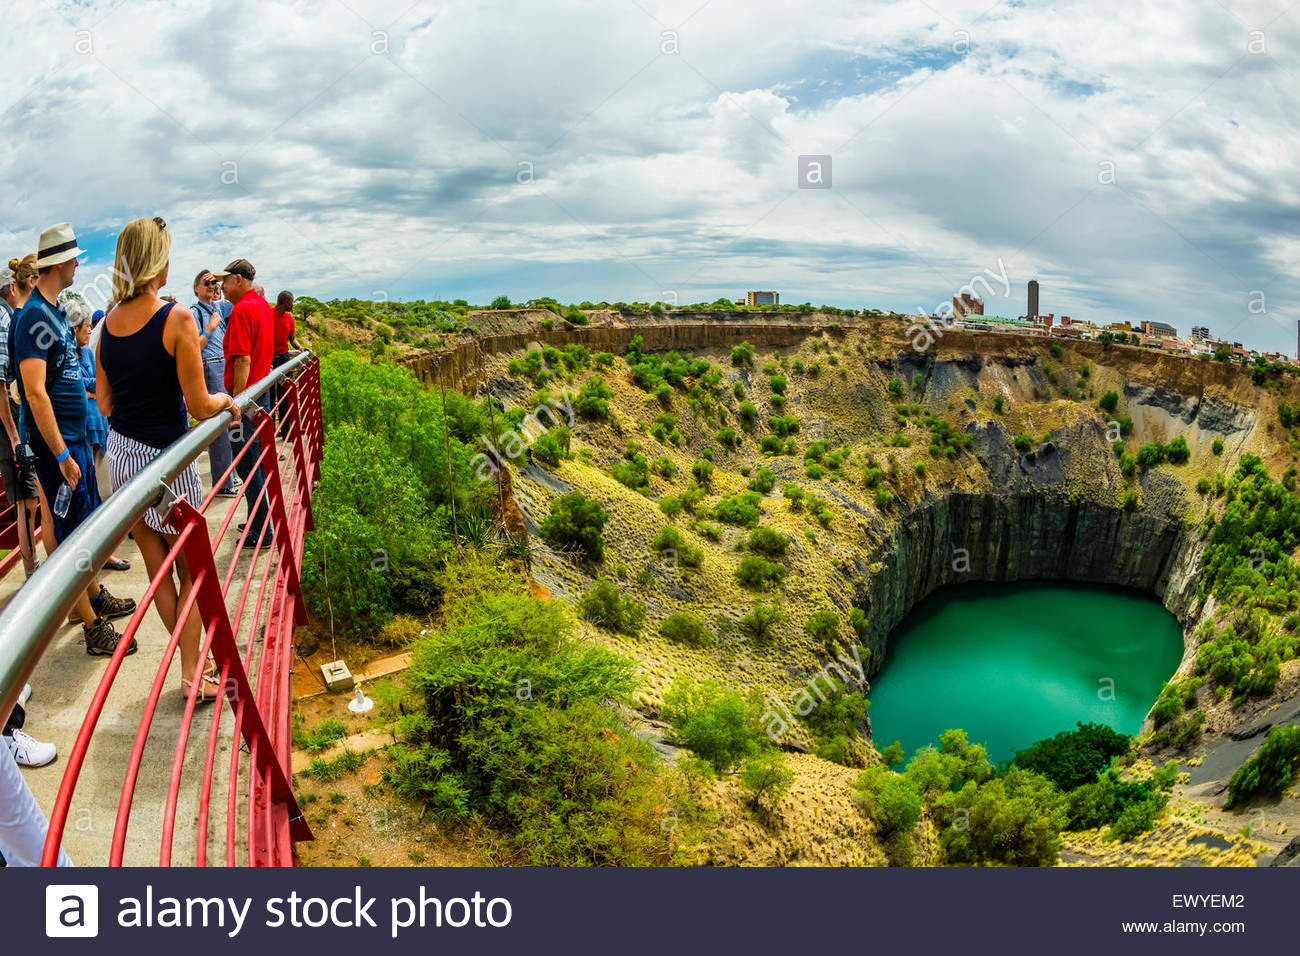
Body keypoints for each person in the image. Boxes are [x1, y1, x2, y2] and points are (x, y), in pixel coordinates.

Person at [98, 217, 241, 703]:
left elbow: (104, 403)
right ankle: (189, 674)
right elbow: (200, 406)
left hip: (121, 459)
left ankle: (187, 671)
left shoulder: (107, 321)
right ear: (157, 259)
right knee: (194, 570)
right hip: (167, 464)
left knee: (157, 565)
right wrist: (225, 400)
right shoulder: (176, 317)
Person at [13, 223, 136, 655]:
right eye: (75, 259)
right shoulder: (32, 317)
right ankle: (90, 625)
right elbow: (33, 391)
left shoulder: (52, 312)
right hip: (58, 445)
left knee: (81, 527)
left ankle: (93, 596)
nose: (79, 265)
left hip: (74, 437)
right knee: (68, 535)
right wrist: (62, 453)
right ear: (60, 263)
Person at [216, 258, 273, 548]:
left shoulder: (241, 311)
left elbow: (242, 359)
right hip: (260, 393)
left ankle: (261, 532)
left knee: (248, 465)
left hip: (246, 398)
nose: (221, 287)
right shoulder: (263, 306)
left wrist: (235, 405)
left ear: (238, 280)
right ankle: (258, 518)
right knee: (256, 462)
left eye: (224, 281)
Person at [69, 301, 128, 571]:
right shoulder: (67, 355)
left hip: (98, 427)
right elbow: (78, 386)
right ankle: (101, 554)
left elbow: (96, 383)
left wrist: (90, 390)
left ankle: (104, 552)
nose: (90, 333)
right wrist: (89, 389)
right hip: (80, 430)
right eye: (85, 329)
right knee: (92, 495)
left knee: (104, 491)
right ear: (76, 329)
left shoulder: (86, 354)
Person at [0, 258, 42, 577]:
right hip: (9, 423)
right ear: (12, 287)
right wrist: (16, 439)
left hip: (13, 420)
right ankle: (33, 574)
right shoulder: (4, 319)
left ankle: (34, 571)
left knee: (29, 498)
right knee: (26, 501)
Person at [191, 269, 238, 497]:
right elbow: (195, 348)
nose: (211, 286)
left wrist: (219, 280)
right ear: (196, 289)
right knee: (219, 426)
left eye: (214, 283)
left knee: (229, 421)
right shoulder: (194, 313)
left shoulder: (218, 306)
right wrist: (209, 328)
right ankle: (223, 483)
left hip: (223, 363)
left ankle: (230, 475)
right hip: (210, 365)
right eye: (206, 282)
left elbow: (234, 301)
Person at [270, 291, 300, 436]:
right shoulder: (268, 315)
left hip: (283, 359)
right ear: (285, 301)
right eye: (291, 301)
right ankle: (270, 433)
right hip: (269, 359)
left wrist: (300, 348)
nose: (292, 304)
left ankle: (286, 431)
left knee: (284, 395)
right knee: (269, 398)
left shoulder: (289, 319)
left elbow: (292, 339)